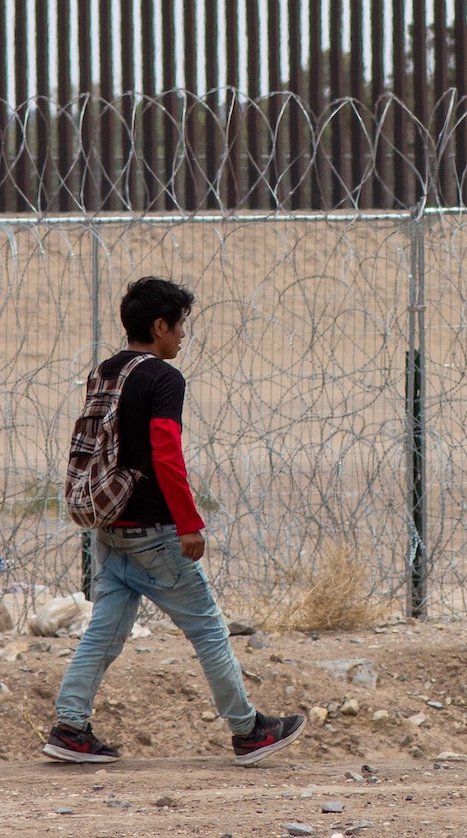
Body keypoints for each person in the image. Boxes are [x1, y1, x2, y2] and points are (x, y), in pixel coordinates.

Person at [41, 277, 305, 766]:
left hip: (110, 527)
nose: (183, 336)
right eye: (180, 326)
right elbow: (166, 450)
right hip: (154, 532)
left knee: (104, 631)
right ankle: (248, 731)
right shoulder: (164, 378)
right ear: (160, 326)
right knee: (207, 628)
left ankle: (70, 726)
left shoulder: (107, 371)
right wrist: (188, 523)